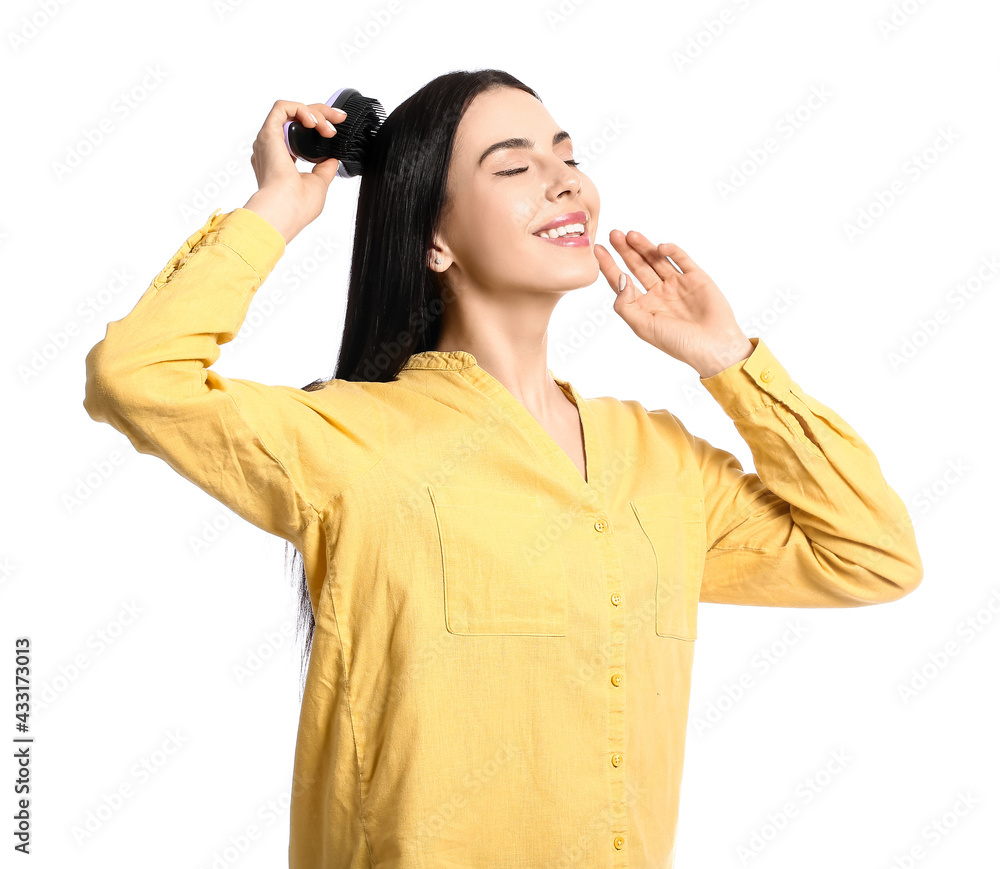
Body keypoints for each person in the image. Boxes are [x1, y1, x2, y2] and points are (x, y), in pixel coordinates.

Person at [82, 69, 923, 868]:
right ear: (435, 239)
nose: (565, 182)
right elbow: (135, 378)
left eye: (569, 156)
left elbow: (873, 555)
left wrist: (730, 361)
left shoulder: (660, 459)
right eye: (515, 166)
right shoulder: (351, 441)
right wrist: (276, 208)